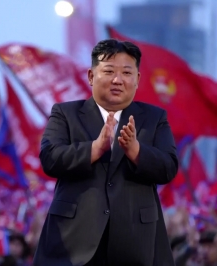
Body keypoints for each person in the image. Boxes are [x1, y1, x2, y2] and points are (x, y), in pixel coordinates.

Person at [33, 39, 178, 266]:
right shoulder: (66, 113)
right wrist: (95, 148)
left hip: (136, 243)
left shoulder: (154, 118)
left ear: (137, 79)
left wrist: (136, 151)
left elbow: (169, 167)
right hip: (73, 243)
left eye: (126, 72)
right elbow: (50, 158)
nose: (117, 80)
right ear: (91, 76)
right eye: (109, 71)